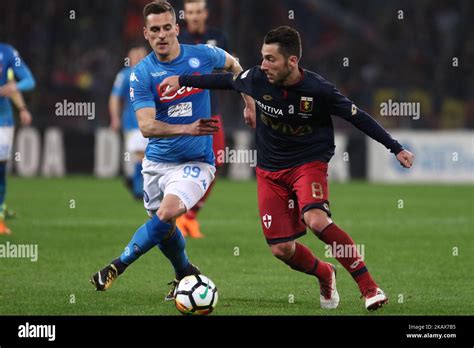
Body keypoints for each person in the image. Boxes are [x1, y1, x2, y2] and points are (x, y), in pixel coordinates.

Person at [159, 26, 415, 311]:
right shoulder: (256, 78)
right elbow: (225, 81)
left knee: (316, 220)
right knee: (281, 249)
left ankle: (369, 288)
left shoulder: (319, 90)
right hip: (269, 170)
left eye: (271, 59)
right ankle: (324, 273)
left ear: (292, 61)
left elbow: (359, 118)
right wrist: (181, 79)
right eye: (263, 58)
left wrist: (396, 147)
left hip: (308, 163)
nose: (264, 65)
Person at [90, 1, 254, 301]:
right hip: (156, 164)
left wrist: (249, 102)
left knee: (166, 214)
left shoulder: (202, 55)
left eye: (167, 27)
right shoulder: (142, 74)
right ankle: (185, 272)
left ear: (177, 28)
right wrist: (187, 127)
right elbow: (147, 127)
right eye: (155, 30)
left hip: (196, 162)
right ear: (146, 33)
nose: (162, 34)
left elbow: (234, 66)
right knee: (163, 229)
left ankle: (117, 265)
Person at [175, 0, 231, 238]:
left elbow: (228, 68)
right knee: (180, 165)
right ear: (185, 15)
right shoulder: (177, 40)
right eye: (190, 12)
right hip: (183, 111)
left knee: (216, 163)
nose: (195, 16)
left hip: (211, 111)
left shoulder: (219, 38)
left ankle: (190, 216)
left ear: (205, 14)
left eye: (198, 12)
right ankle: (175, 215)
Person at [0, 43, 36, 235]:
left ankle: (0, 218)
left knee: (0, 169)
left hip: (2, 119)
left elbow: (29, 80)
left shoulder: (7, 53)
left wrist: (13, 90)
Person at [109, 45, 149, 200]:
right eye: (135, 56)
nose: (138, 58)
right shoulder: (125, 75)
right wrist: (115, 117)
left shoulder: (153, 73)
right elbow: (114, 97)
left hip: (154, 123)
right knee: (141, 155)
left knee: (149, 158)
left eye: (141, 55)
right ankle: (139, 191)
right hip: (134, 124)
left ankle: (134, 181)